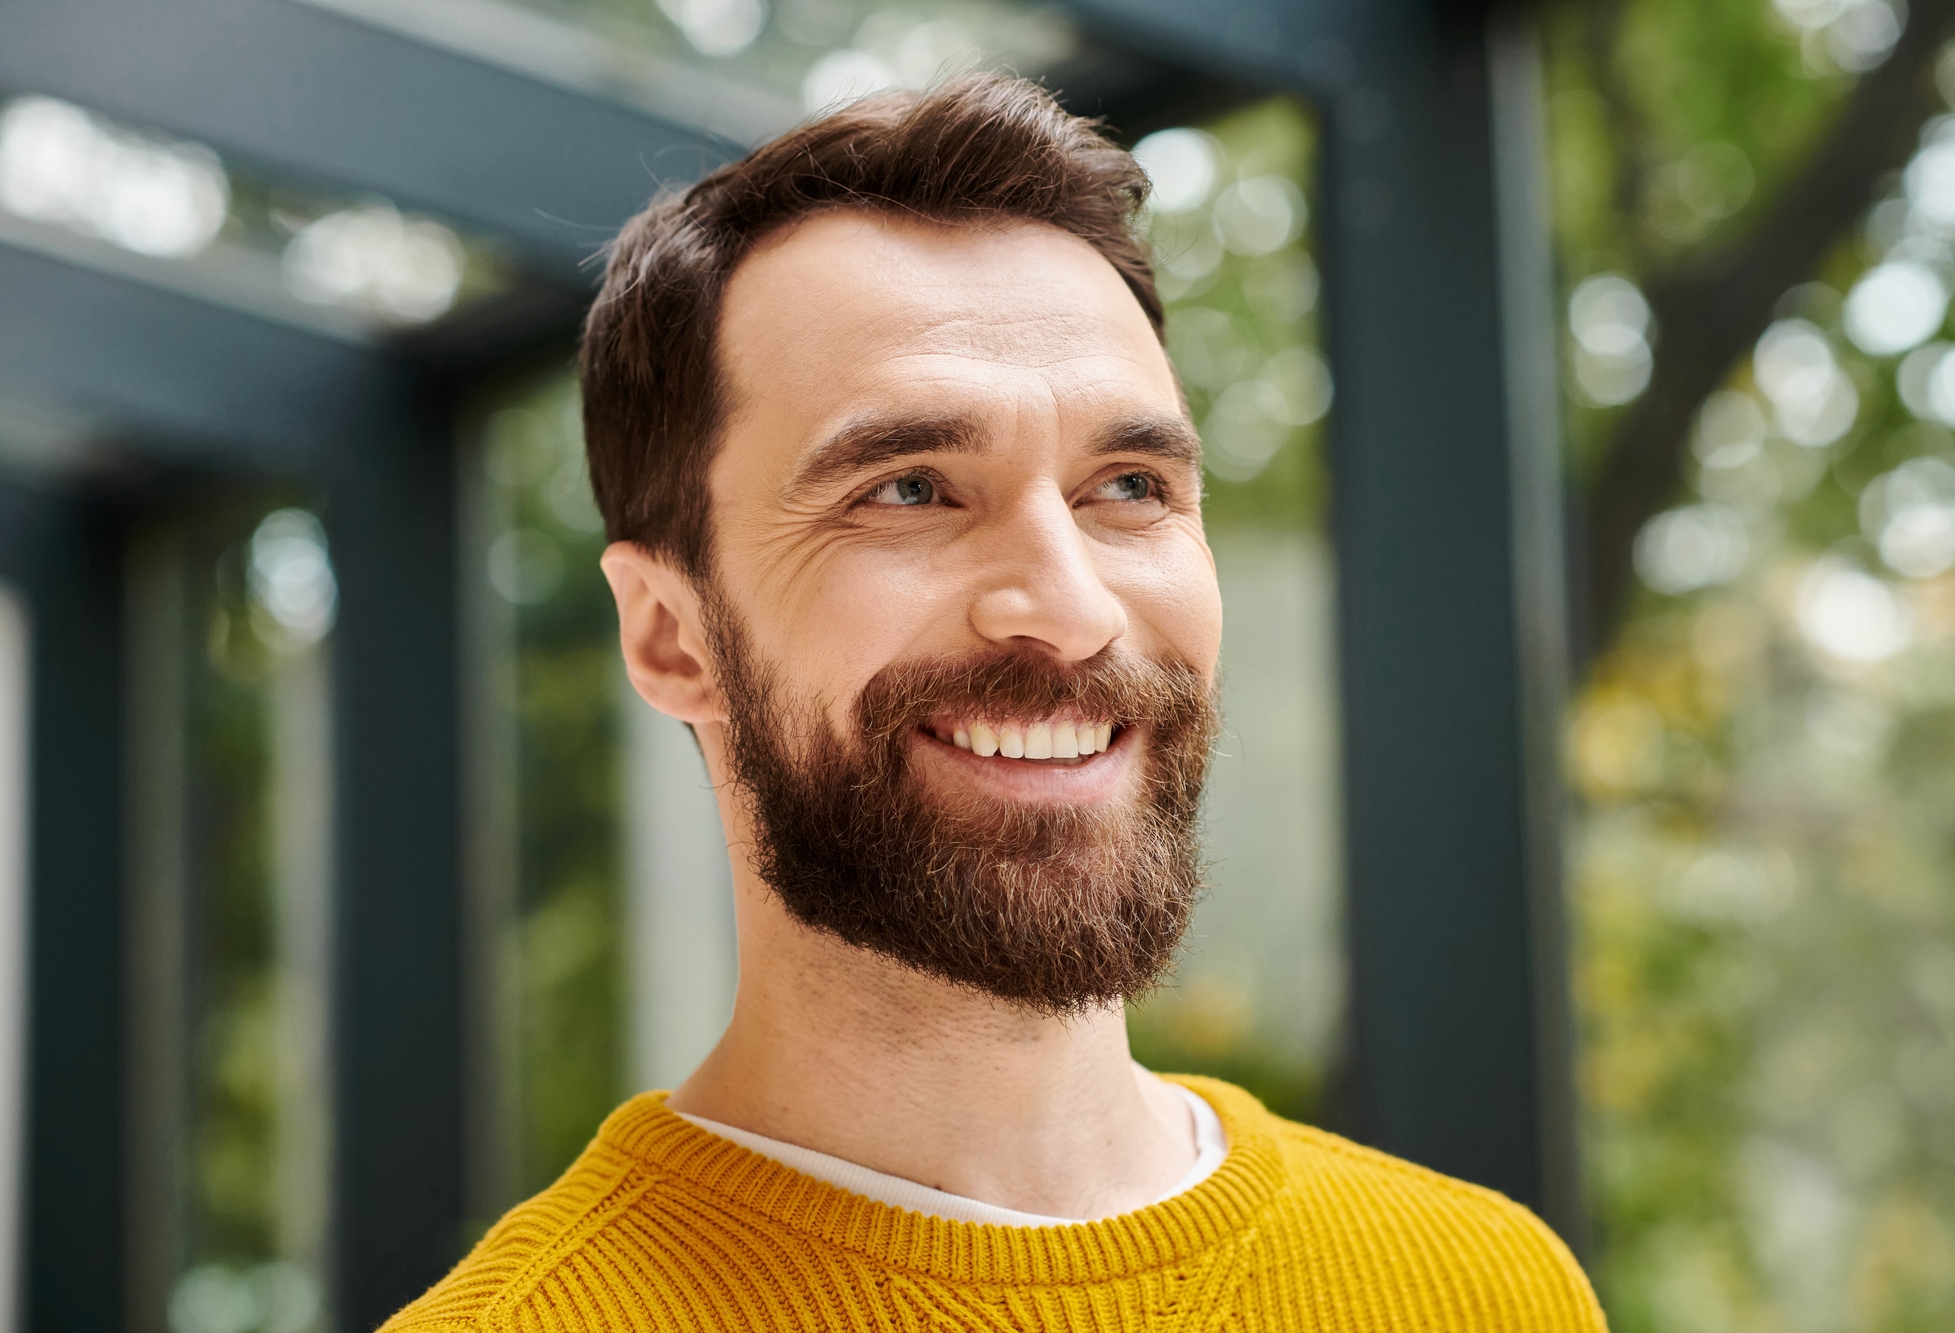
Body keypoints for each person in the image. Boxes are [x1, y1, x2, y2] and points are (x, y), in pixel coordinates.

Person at [384, 74, 1604, 1331]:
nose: (1069, 610)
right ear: (668, 635)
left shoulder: (1482, 1287)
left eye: (1128, 485)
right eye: (909, 490)